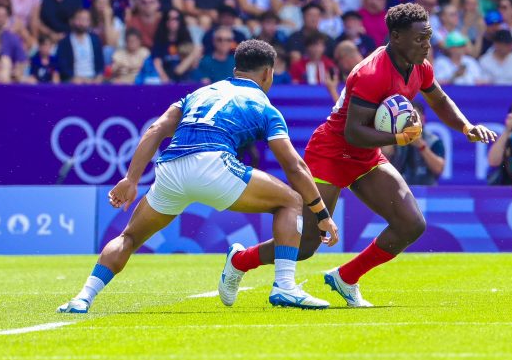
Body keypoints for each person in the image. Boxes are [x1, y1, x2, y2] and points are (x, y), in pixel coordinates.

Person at [219, 3, 496, 308]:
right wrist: (398, 138)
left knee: (411, 224)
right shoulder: (371, 72)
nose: (427, 45)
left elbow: (440, 100)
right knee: (308, 243)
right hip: (330, 154)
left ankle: (346, 277)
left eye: (428, 37)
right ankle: (240, 260)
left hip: (365, 157)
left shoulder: (420, 65)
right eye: (420, 39)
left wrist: (466, 126)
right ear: (396, 37)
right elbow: (353, 132)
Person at [58, 40, 339, 313]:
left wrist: (131, 179)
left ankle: (83, 298)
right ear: (268, 73)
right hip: (214, 166)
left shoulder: (198, 94)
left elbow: (156, 129)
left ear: (236, 67)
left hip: (171, 170)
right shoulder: (264, 106)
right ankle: (285, 286)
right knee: (290, 200)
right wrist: (320, 212)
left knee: (129, 237)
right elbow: (295, 167)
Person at [381, 102, 445, 186]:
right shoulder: (394, 138)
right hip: (397, 189)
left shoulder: (434, 141)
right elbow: (380, 166)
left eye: (414, 118)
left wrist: (422, 147)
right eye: (407, 118)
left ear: (422, 119)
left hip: (425, 190)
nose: (410, 122)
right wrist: (390, 144)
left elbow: (439, 169)